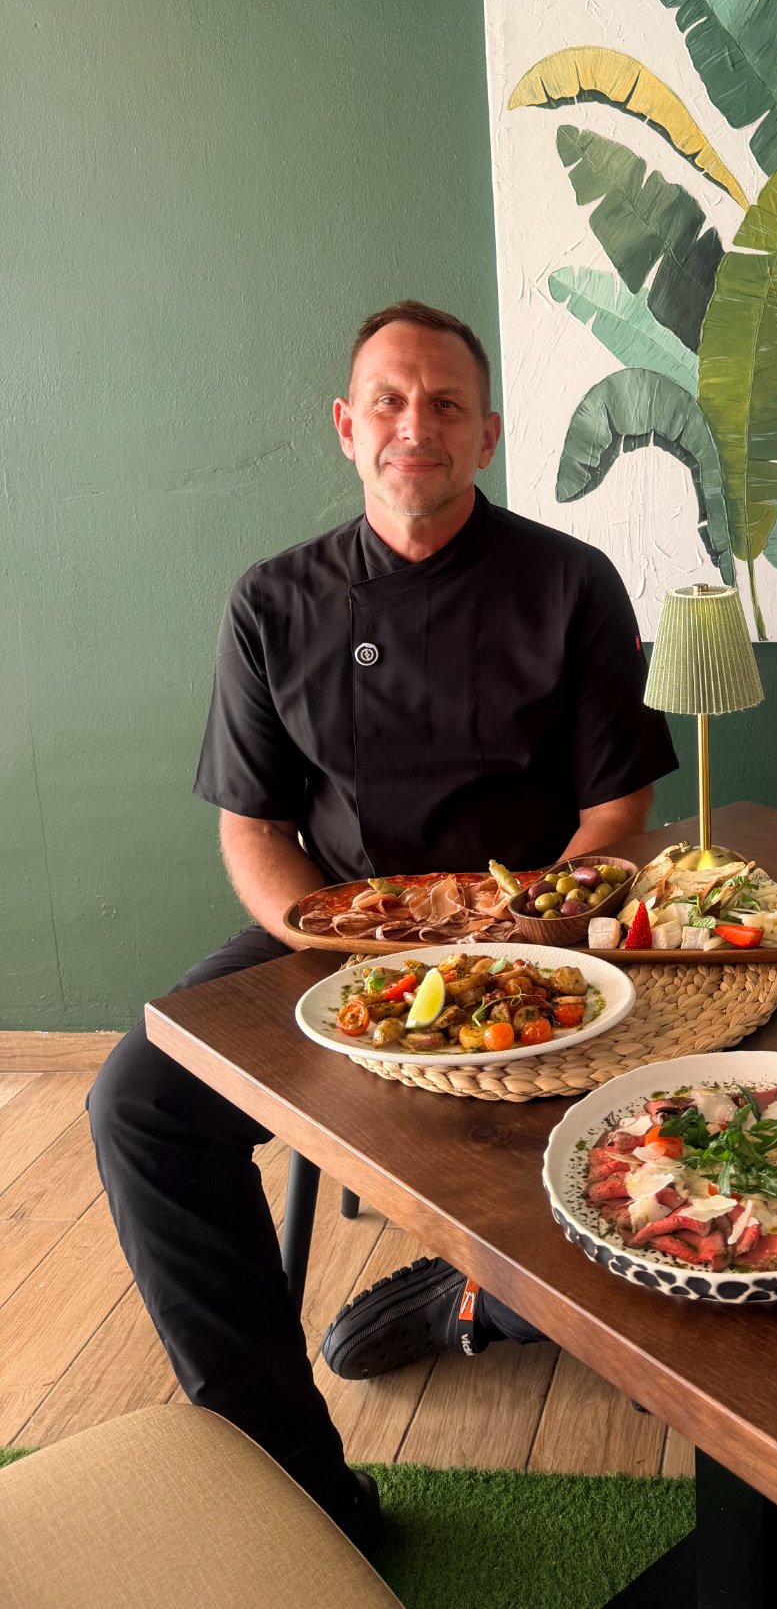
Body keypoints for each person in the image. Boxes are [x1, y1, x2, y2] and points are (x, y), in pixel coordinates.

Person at [88, 301, 676, 1536]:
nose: (420, 424)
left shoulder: (569, 581)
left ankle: (485, 1301)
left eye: (448, 403)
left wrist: (532, 932)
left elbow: (619, 806)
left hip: (542, 942)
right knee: (139, 1102)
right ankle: (295, 1477)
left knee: (657, 1094)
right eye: (392, 403)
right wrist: (318, 939)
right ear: (350, 429)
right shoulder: (272, 599)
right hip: (339, 938)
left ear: (489, 433)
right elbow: (252, 825)